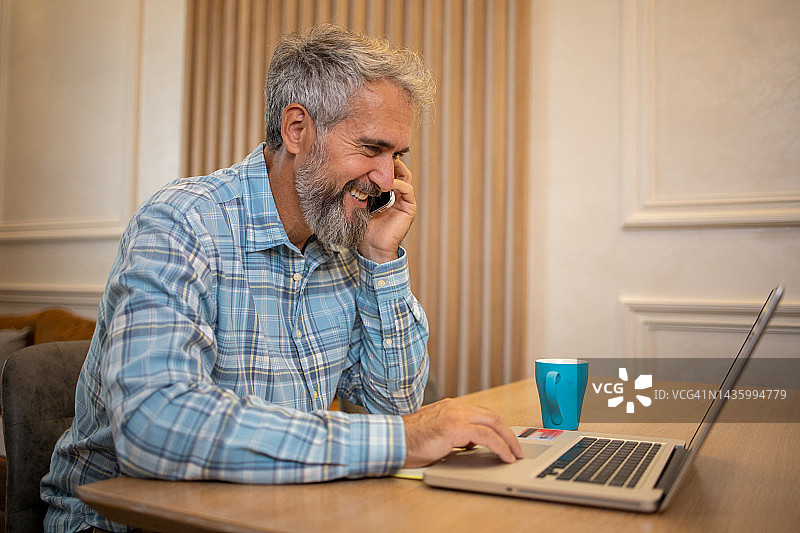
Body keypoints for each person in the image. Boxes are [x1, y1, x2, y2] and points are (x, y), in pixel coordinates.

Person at [41, 24, 523, 532]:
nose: (388, 179)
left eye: (397, 156)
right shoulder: (182, 225)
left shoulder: (342, 240)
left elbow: (397, 405)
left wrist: (382, 257)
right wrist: (401, 440)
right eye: (371, 149)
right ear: (297, 129)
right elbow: (156, 427)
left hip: (268, 513)